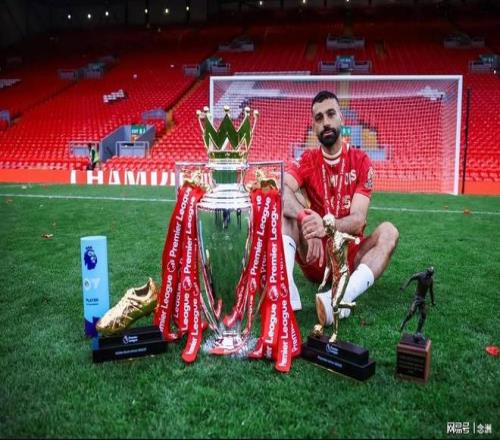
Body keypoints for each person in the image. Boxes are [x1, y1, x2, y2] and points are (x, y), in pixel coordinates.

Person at [282, 90, 399, 322]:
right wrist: (307, 219)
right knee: (287, 212)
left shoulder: (361, 161)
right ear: (314, 126)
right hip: (315, 255)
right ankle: (285, 291)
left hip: (349, 258)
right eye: (319, 118)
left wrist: (325, 225)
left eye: (330, 114)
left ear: (341, 118)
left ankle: (342, 295)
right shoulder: (307, 160)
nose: (325, 122)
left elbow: (357, 220)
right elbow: (282, 192)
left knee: (389, 231)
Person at [399, 267, 435, 342]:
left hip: (423, 299)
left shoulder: (431, 280)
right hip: (417, 297)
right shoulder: (420, 275)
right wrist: (404, 286)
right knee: (411, 312)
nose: (428, 275)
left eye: (430, 275)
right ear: (426, 271)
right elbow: (411, 278)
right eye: (428, 273)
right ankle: (404, 322)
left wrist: (433, 301)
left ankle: (418, 331)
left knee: (424, 315)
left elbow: (431, 291)